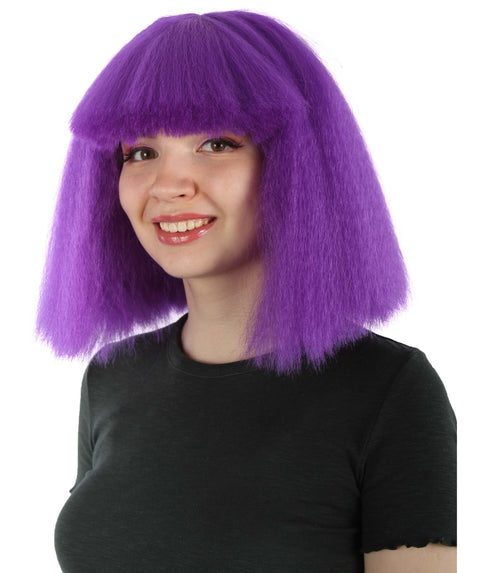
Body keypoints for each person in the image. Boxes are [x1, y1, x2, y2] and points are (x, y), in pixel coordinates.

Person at [36, 10, 456, 573]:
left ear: (294, 164)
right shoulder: (112, 377)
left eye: (216, 142)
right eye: (141, 152)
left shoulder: (388, 391)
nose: (167, 185)